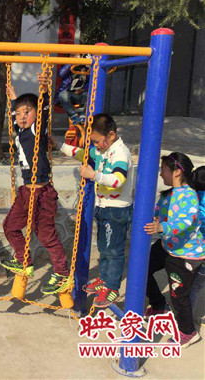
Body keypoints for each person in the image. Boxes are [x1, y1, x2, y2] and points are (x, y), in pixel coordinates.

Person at [50, 113, 134, 307]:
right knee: (104, 248)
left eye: (97, 141)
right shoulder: (103, 150)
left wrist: (94, 175)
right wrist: (58, 145)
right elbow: (81, 153)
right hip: (104, 207)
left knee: (114, 251)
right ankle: (103, 279)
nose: (95, 146)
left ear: (111, 135)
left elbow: (118, 180)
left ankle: (112, 287)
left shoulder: (120, 153)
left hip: (117, 210)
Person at [0, 76, 70, 295]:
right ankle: (24, 261)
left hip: (42, 193)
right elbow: (16, 117)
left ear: (36, 115)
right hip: (26, 191)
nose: (22, 117)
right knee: (9, 226)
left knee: (46, 236)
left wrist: (45, 90)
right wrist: (13, 100)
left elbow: (44, 113)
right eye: (18, 113)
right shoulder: (21, 131)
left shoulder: (35, 131)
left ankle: (62, 274)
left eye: (27, 112)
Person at [144, 153, 204, 348]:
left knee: (179, 296)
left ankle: (188, 332)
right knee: (142, 269)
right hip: (167, 246)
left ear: (177, 172)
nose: (161, 174)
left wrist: (162, 227)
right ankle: (159, 304)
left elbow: (185, 221)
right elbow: (157, 212)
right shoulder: (167, 195)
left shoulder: (189, 196)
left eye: (164, 170)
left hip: (186, 254)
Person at [190, 165, 205, 325]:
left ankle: (186, 320)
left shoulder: (192, 198)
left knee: (193, 287)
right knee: (198, 286)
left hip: (197, 251)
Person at [55, 58, 89, 125]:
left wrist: (84, 89)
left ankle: (83, 116)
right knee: (62, 94)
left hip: (82, 95)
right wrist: (72, 62)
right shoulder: (69, 69)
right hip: (70, 94)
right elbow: (61, 74)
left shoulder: (87, 70)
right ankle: (74, 116)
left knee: (89, 94)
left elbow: (91, 82)